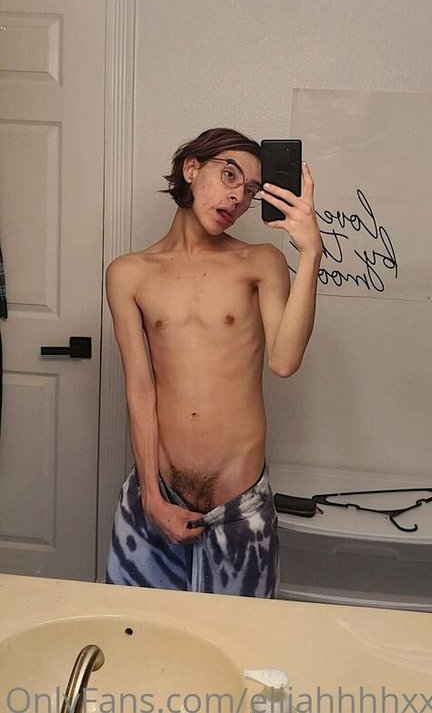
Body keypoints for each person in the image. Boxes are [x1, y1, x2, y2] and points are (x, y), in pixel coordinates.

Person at [106, 127, 322, 596]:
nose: (237, 197)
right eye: (229, 175)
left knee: (238, 640)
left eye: (250, 190)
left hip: (241, 510)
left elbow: (284, 361)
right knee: (136, 634)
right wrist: (151, 497)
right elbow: (140, 388)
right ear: (191, 168)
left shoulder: (260, 262)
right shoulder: (128, 274)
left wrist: (310, 253)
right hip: (156, 500)